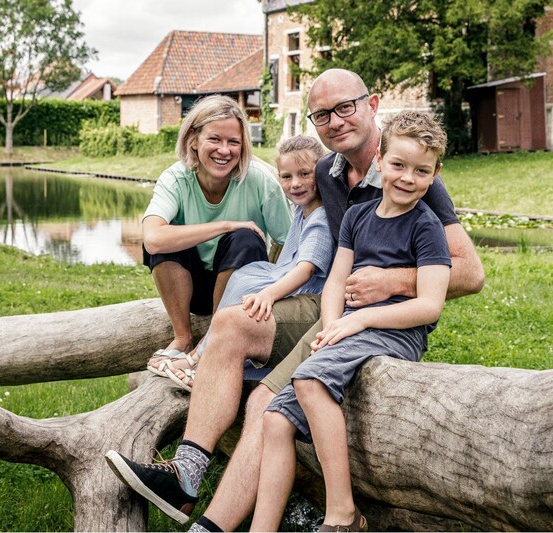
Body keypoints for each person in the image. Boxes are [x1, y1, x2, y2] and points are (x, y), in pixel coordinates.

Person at [105, 69, 485, 532]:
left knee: (264, 403)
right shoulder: (326, 170)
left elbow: (469, 272)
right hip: (327, 303)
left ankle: (215, 525)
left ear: (372, 104)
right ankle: (184, 477)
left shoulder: (414, 174)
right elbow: (309, 238)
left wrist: (391, 281)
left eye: (346, 107)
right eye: (322, 114)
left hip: (370, 315)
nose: (336, 121)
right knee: (230, 322)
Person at [250, 111, 451, 532]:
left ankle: (342, 513)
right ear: (379, 160)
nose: (407, 178)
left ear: (434, 175)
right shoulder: (358, 217)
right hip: (348, 325)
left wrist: (357, 323)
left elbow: (430, 305)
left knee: (307, 381)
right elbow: (336, 281)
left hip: (397, 331)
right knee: (274, 417)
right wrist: (329, 324)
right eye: (398, 165)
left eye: (421, 171)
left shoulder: (426, 227)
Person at [161, 135, 335, 391]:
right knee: (246, 274)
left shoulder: (320, 218)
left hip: (305, 293)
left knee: (248, 285)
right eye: (286, 177)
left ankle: (200, 358)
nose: (295, 184)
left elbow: (306, 270)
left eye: (304, 174)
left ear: (320, 173)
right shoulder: (302, 208)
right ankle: (202, 353)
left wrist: (268, 294)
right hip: (285, 275)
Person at [141, 94, 292, 378]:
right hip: (193, 290)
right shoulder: (175, 179)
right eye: (215, 139)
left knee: (246, 239)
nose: (224, 150)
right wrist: (225, 224)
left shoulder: (259, 180)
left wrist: (274, 291)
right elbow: (153, 239)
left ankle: (211, 342)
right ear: (193, 140)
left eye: (233, 142)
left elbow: (289, 242)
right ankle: (182, 338)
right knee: (168, 235)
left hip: (242, 291)